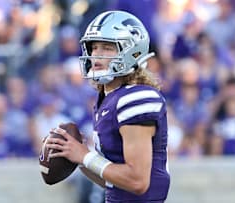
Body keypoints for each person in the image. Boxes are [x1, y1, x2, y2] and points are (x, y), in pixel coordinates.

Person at [46, 11, 170, 202]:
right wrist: (79, 159)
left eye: (107, 48)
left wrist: (86, 156)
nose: (96, 55)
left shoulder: (136, 98)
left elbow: (137, 181)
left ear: (132, 51)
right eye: (94, 47)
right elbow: (113, 182)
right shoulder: (107, 99)